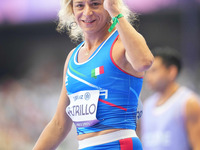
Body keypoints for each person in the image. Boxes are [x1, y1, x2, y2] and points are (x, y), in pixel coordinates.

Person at [33, 0, 154, 149]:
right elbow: (59, 124)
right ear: (72, 9)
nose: (87, 12)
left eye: (95, 4)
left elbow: (144, 62)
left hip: (119, 143)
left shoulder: (121, 44)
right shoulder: (72, 58)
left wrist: (114, 10)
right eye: (80, 5)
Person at [140, 47, 200, 150]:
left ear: (172, 71)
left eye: (154, 71)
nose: (148, 77)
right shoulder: (147, 105)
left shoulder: (189, 103)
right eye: (147, 71)